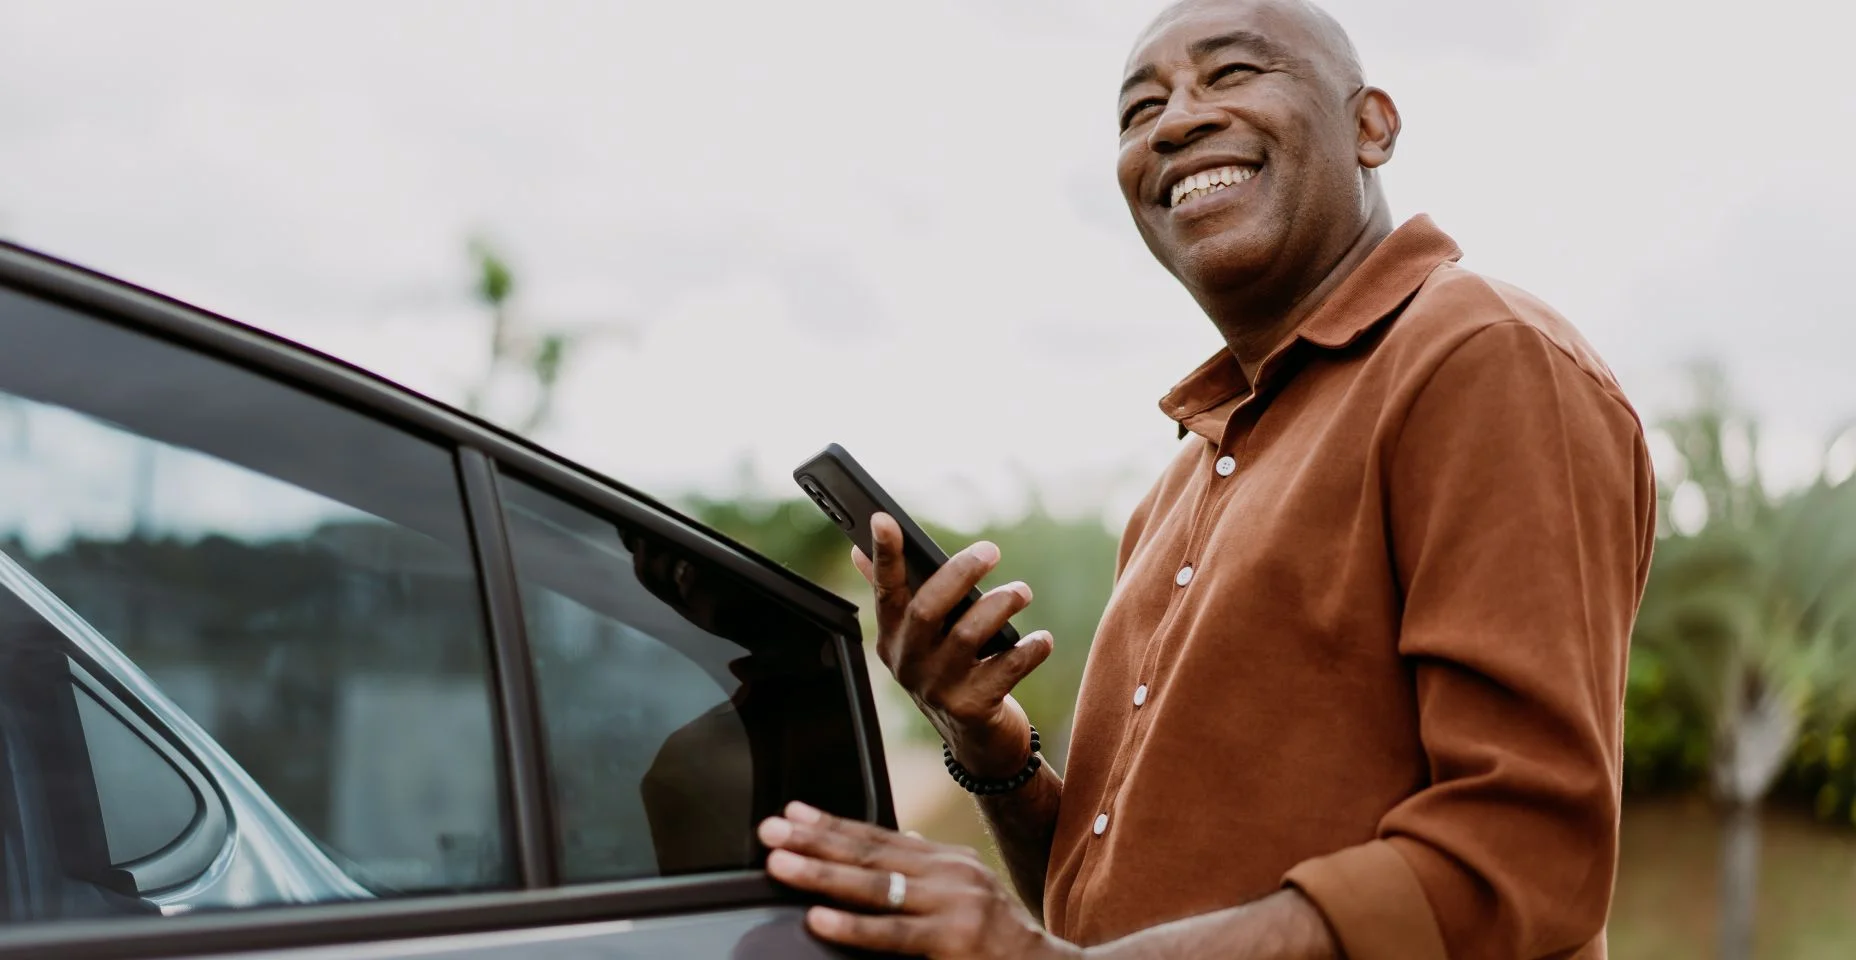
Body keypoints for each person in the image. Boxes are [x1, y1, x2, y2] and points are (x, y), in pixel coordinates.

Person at [756, 0, 1656, 957]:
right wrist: (988, 743)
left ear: (1371, 126)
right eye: (1139, 110)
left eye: (1231, 75)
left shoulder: (1483, 357)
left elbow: (1524, 853)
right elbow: (1093, 916)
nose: (1176, 120)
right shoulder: (1177, 488)